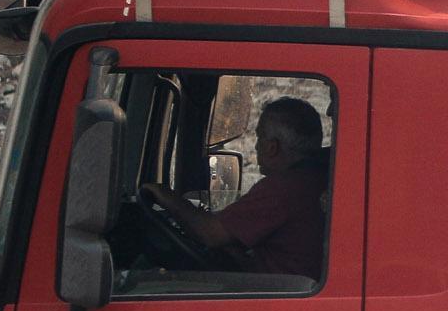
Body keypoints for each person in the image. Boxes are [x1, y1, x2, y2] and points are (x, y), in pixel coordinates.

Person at [141, 97, 329, 278]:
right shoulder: (314, 179)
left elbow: (210, 233)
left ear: (272, 147)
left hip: (276, 296)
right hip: (285, 289)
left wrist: (167, 197)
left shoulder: (284, 188)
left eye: (259, 137)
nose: (256, 146)